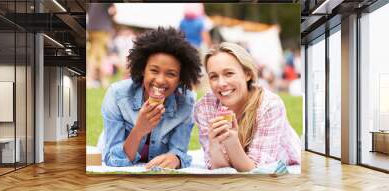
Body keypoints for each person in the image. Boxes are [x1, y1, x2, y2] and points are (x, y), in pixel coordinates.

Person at [102, 27, 202, 169]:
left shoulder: (186, 102)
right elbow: (113, 159)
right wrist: (140, 129)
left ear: (181, 78)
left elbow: (179, 151)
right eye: (154, 70)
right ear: (143, 69)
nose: (160, 80)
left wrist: (176, 159)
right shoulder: (117, 95)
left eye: (171, 74)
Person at [194, 42, 300, 172]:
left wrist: (232, 141)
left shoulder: (270, 106)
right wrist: (214, 144)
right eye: (214, 76)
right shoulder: (205, 107)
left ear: (247, 74)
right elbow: (220, 170)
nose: (221, 83)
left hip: (286, 163)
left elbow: (256, 171)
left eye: (229, 73)